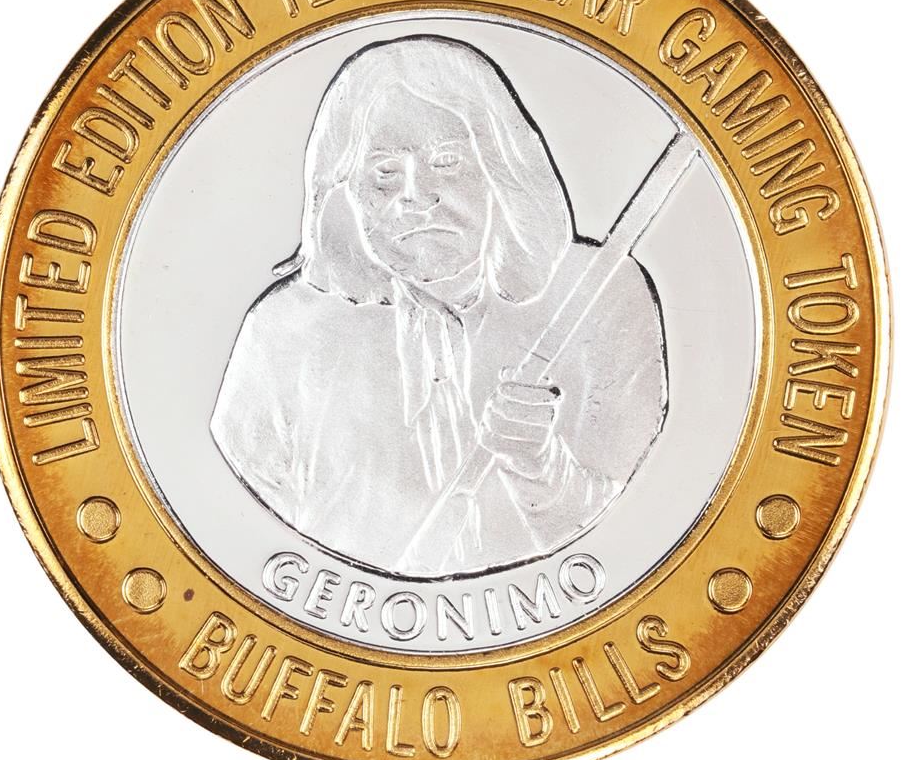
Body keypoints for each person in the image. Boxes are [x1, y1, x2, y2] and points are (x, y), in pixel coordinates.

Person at [210, 35, 667, 578]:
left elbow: (646, 528)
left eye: (446, 162)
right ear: (344, 190)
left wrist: (541, 468)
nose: (416, 194)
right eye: (384, 171)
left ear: (500, 164)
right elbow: (235, 525)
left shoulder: (601, 294)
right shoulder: (284, 333)